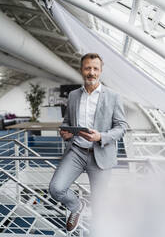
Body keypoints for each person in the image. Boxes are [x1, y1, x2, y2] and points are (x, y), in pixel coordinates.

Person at [49, 53, 127, 233]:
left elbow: (122, 127)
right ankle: (76, 206)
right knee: (56, 188)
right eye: (87, 68)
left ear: (100, 71)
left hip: (101, 154)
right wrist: (65, 132)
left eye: (95, 68)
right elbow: (67, 122)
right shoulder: (74, 95)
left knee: (100, 207)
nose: (91, 72)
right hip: (76, 151)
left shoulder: (113, 96)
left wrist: (101, 136)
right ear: (82, 70)